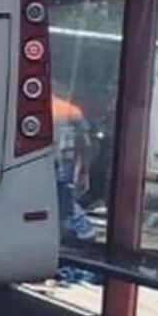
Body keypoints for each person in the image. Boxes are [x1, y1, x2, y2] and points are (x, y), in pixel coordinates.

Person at [52, 96, 97, 242]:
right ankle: (83, 231)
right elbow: (86, 143)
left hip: (46, 165)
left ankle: (83, 232)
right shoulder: (71, 111)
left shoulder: (35, 108)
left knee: (63, 205)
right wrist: (84, 170)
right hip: (66, 165)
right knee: (66, 202)